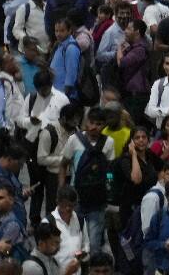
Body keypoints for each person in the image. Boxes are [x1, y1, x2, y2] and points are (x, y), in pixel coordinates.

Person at [58, 108, 113, 256]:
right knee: (74, 240)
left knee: (95, 243)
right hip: (76, 198)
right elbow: (63, 164)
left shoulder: (109, 143)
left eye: (99, 123)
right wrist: (62, 189)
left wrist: (109, 186)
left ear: (104, 125)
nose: (94, 127)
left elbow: (109, 170)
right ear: (86, 122)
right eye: (91, 122)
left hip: (98, 199)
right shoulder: (74, 140)